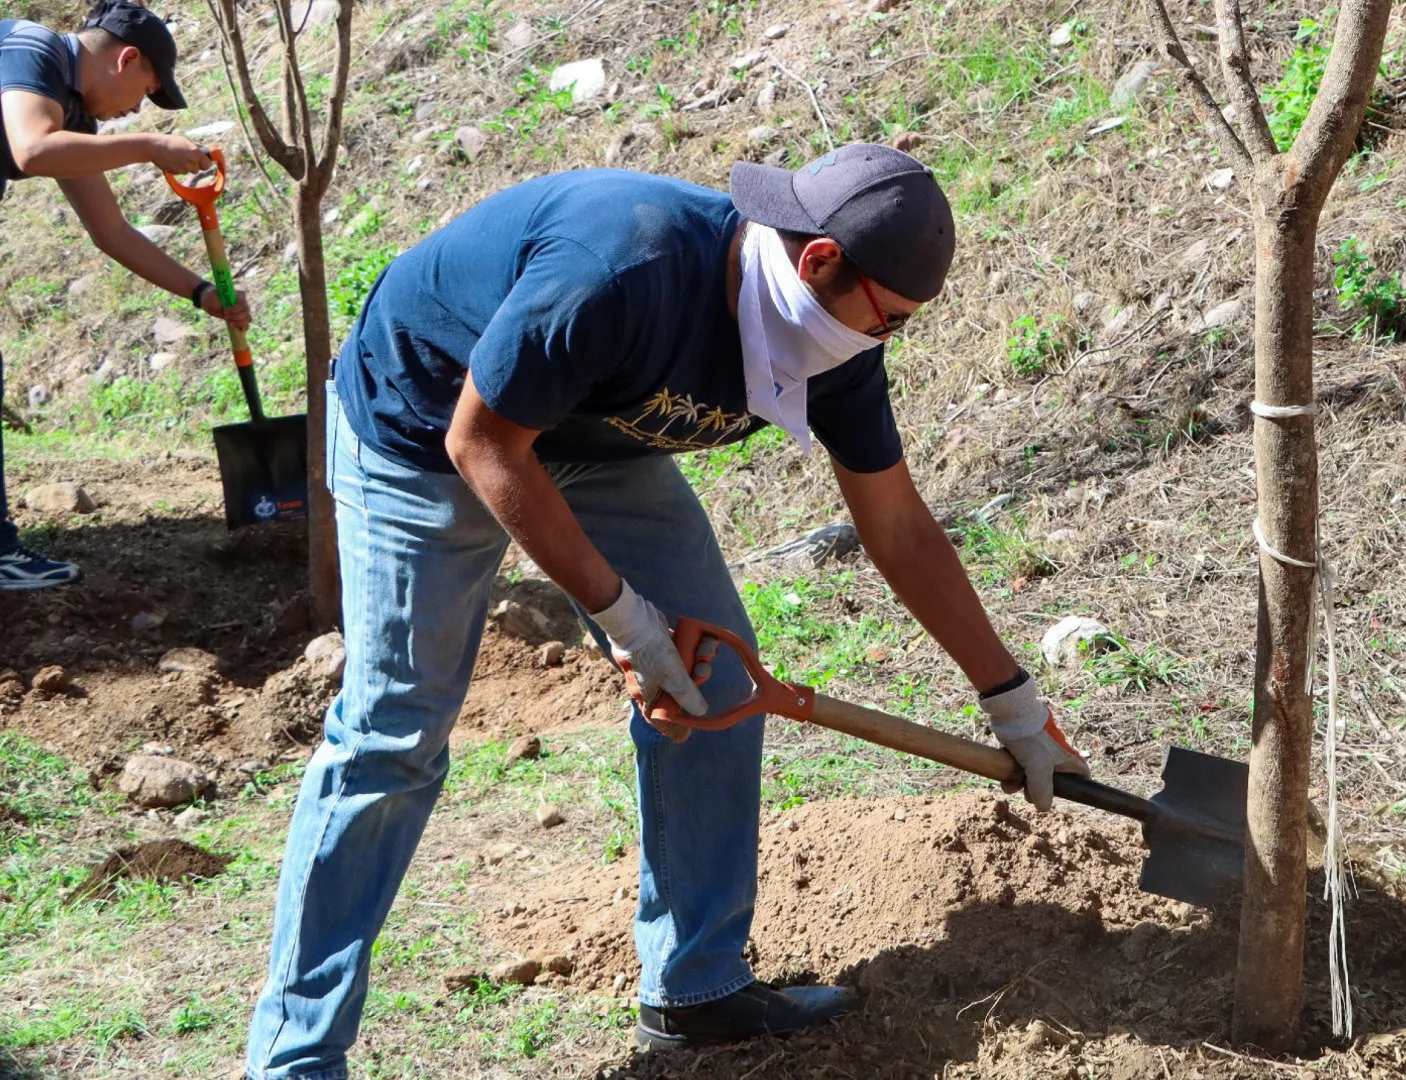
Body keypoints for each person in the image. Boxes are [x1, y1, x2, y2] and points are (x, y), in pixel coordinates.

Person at [243, 144, 1091, 1077]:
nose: (888, 339)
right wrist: (627, 622)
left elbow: (897, 526)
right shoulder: (624, 268)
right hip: (426, 422)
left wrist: (1009, 697)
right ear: (817, 261)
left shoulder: (836, 337)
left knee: (717, 678)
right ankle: (294, 1057)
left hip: (590, 442)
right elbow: (484, 444)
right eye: (889, 319)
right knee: (393, 734)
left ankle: (695, 987)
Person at [0, 0, 250, 588]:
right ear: (127, 58)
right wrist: (148, 143)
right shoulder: (30, 47)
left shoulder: (74, 120)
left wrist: (201, 294)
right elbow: (31, 150)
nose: (136, 108)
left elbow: (111, 233)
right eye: (146, 90)